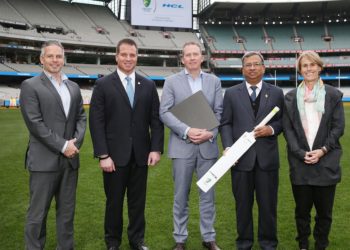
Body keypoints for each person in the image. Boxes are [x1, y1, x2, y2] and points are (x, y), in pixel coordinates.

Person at [89, 38, 164, 250]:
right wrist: (103, 155)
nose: (128, 58)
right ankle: (112, 242)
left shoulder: (148, 85)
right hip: (113, 156)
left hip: (141, 155)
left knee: (137, 203)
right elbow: (97, 123)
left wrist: (156, 148)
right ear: (116, 56)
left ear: (137, 57)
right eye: (124, 54)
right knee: (113, 202)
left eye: (132, 55)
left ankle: (137, 240)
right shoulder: (103, 85)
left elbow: (155, 120)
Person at [20, 40, 87, 250]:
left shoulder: (73, 87)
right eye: (50, 56)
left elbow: (81, 118)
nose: (55, 60)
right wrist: (62, 145)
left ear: (63, 59)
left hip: (70, 160)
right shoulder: (30, 86)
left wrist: (74, 144)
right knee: (37, 214)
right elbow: (35, 123)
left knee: (67, 213)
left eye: (59, 56)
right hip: (43, 162)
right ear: (42, 59)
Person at [159, 42, 223, 250]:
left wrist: (209, 133)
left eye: (196, 54)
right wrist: (187, 131)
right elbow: (165, 112)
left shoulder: (214, 81)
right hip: (182, 146)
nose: (193, 58)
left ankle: (208, 237)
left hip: (208, 147)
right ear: (183, 59)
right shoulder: (171, 81)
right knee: (180, 196)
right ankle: (180, 238)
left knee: (208, 196)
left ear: (202, 57)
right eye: (188, 55)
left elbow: (219, 112)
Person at [220, 51, 284, 250]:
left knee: (268, 207)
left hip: (267, 161)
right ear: (242, 69)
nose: (253, 68)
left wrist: (271, 129)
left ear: (264, 68)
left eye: (256, 64)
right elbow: (226, 124)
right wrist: (229, 148)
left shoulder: (276, 92)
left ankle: (268, 244)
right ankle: (244, 243)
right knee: (242, 207)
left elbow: (283, 122)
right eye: (248, 65)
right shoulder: (231, 93)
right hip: (240, 160)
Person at [283, 51, 345, 250]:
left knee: (324, 213)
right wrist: (301, 154)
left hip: (326, 163)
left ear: (319, 67)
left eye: (312, 65)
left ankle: (321, 245)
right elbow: (288, 130)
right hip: (300, 163)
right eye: (305, 66)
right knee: (302, 212)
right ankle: (303, 245)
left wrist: (323, 150)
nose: (309, 69)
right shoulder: (291, 97)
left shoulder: (333, 95)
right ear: (300, 70)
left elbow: (338, 128)